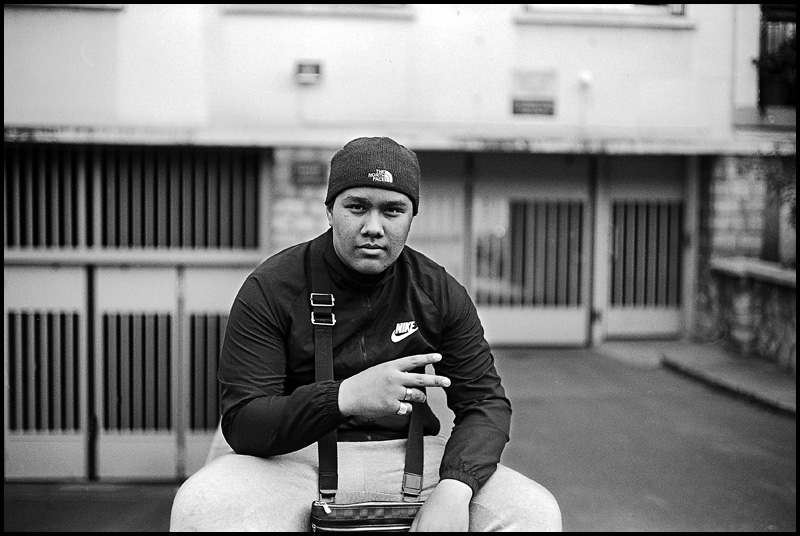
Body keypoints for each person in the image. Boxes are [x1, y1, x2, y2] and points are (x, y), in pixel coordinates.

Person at [170, 136, 562, 532]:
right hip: (293, 458)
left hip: (411, 458)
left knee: (533, 511)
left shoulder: (438, 291)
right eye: (357, 207)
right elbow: (243, 421)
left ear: (411, 216)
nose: (373, 227)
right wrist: (346, 396)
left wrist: (457, 486)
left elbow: (485, 403)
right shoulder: (272, 286)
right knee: (202, 506)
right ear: (330, 211)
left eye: (392, 210)